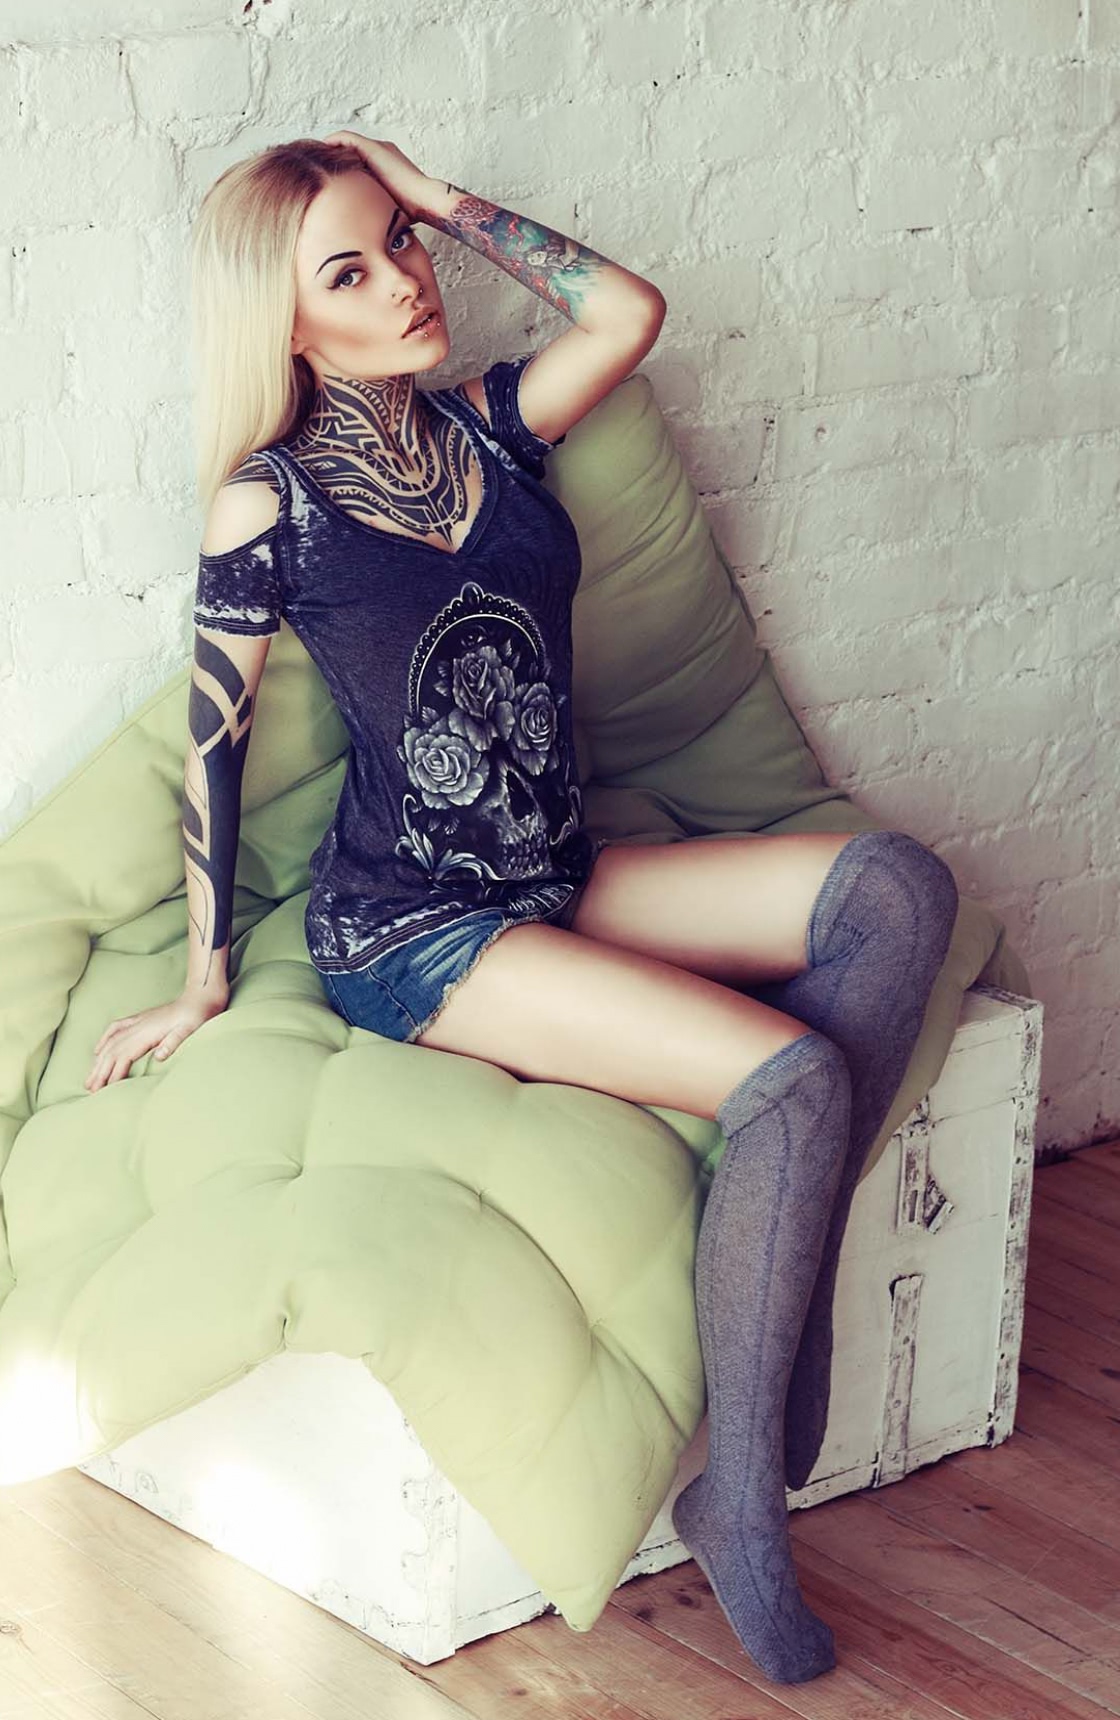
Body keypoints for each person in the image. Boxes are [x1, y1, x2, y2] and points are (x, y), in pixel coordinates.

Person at [84, 133, 960, 1684]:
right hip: (414, 932)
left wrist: (439, 195)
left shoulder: (491, 429)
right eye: (349, 271)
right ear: (289, 325)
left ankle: (789, 1258)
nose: (403, 283)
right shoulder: (268, 506)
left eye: (400, 247)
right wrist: (207, 972)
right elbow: (213, 748)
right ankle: (738, 1503)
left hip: (557, 873)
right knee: (795, 1080)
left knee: (898, 890)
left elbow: (627, 314)